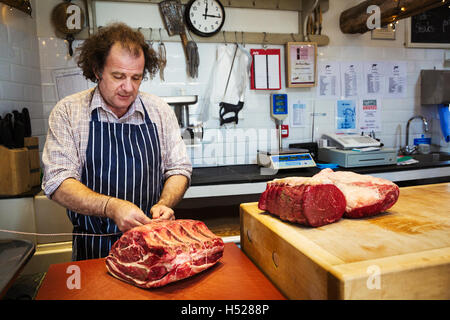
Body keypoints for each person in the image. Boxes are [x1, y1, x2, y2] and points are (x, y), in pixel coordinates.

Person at [42, 23, 192, 261]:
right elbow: (57, 181)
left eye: (136, 77)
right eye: (118, 76)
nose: (128, 87)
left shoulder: (159, 110)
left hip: (151, 248)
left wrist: (165, 203)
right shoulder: (69, 112)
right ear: (97, 69)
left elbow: (178, 168)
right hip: (94, 250)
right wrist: (111, 207)